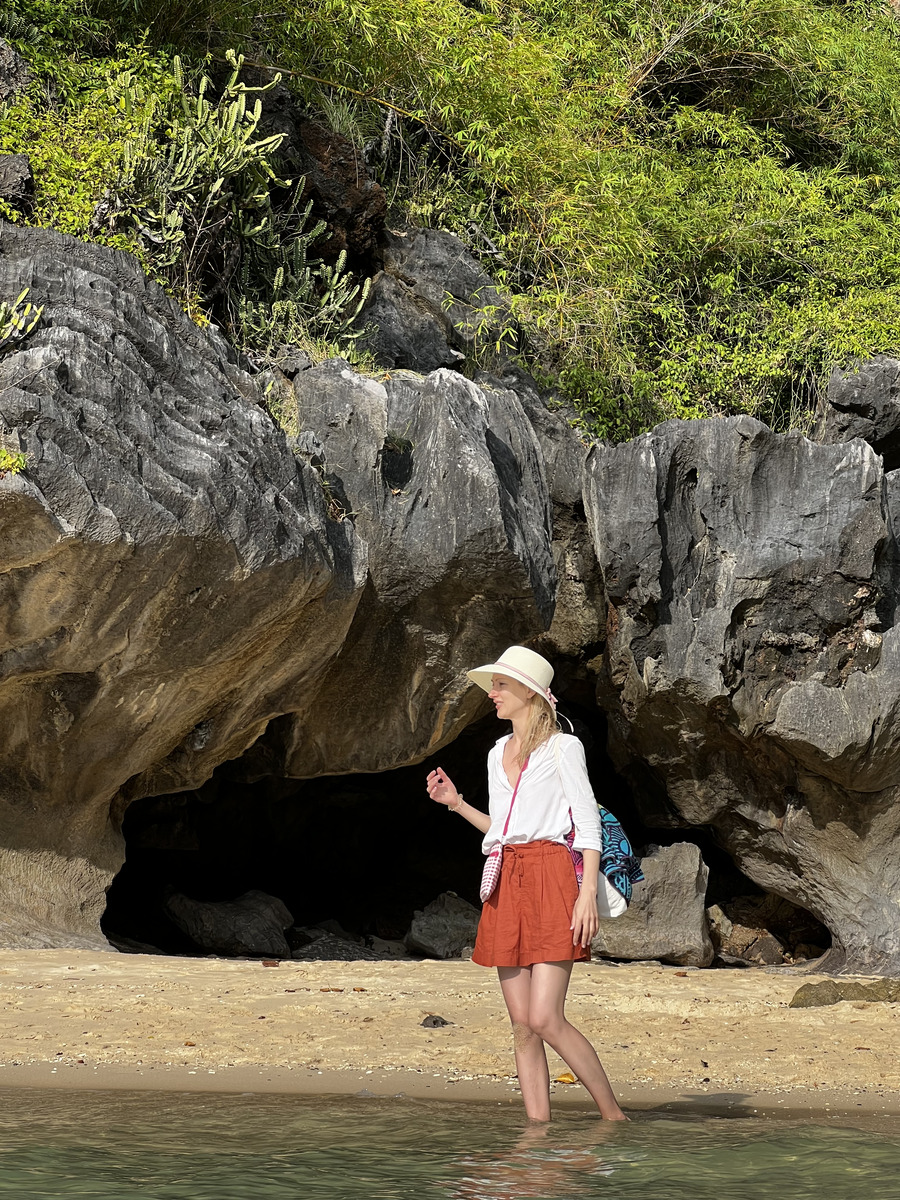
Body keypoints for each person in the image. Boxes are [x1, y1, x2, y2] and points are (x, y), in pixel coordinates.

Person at [426, 645, 627, 1122]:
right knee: (521, 1025)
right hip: (506, 878)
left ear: (529, 694)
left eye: (501, 685)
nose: (492, 694)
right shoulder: (498, 753)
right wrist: (455, 804)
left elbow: (587, 823)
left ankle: (614, 1118)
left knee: (544, 1018)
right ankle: (537, 1135)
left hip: (553, 876)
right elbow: (503, 828)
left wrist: (585, 896)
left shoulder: (564, 748)